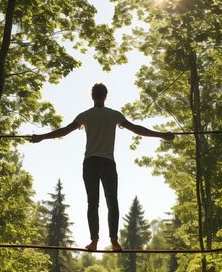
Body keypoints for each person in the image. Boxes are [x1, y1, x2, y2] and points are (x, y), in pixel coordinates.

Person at [31, 83, 174, 251]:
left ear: (92, 96)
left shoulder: (85, 116)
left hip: (90, 163)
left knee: (93, 203)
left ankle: (94, 241)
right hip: (107, 163)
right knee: (112, 202)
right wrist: (162, 135)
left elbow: (63, 131)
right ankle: (114, 241)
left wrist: (41, 137)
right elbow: (136, 129)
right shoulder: (114, 115)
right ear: (106, 96)